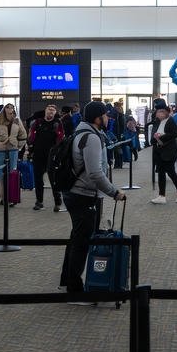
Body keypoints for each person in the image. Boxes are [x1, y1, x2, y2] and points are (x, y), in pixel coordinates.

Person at [59, 101, 125, 298]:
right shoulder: (92, 138)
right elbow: (95, 173)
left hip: (74, 192)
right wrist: (114, 192)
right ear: (97, 118)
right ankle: (74, 291)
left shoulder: (80, 132)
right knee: (82, 243)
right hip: (83, 195)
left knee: (76, 238)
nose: (108, 118)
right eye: (105, 115)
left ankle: (66, 281)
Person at [0, 103, 27, 205]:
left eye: (11, 108)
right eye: (7, 108)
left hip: (13, 151)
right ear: (4, 110)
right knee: (0, 175)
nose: (9, 109)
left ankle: (12, 197)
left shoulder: (17, 121)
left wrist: (17, 146)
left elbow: (23, 135)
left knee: (12, 174)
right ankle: (3, 198)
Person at [29, 104, 66, 211]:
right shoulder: (38, 122)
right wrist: (30, 149)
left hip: (52, 156)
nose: (50, 111)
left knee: (54, 180)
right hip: (38, 155)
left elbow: (61, 138)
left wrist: (58, 152)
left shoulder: (57, 123)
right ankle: (39, 202)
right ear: (45, 111)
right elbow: (31, 136)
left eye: (53, 110)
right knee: (38, 180)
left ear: (55, 113)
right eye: (49, 109)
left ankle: (58, 203)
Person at [148, 99, 177, 204]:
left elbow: (175, 134)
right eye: (158, 111)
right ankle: (161, 196)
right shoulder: (156, 121)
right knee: (161, 173)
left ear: (166, 112)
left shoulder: (170, 121)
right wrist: (155, 138)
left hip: (169, 150)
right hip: (158, 151)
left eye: (162, 111)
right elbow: (153, 134)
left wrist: (162, 137)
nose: (159, 113)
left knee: (171, 172)